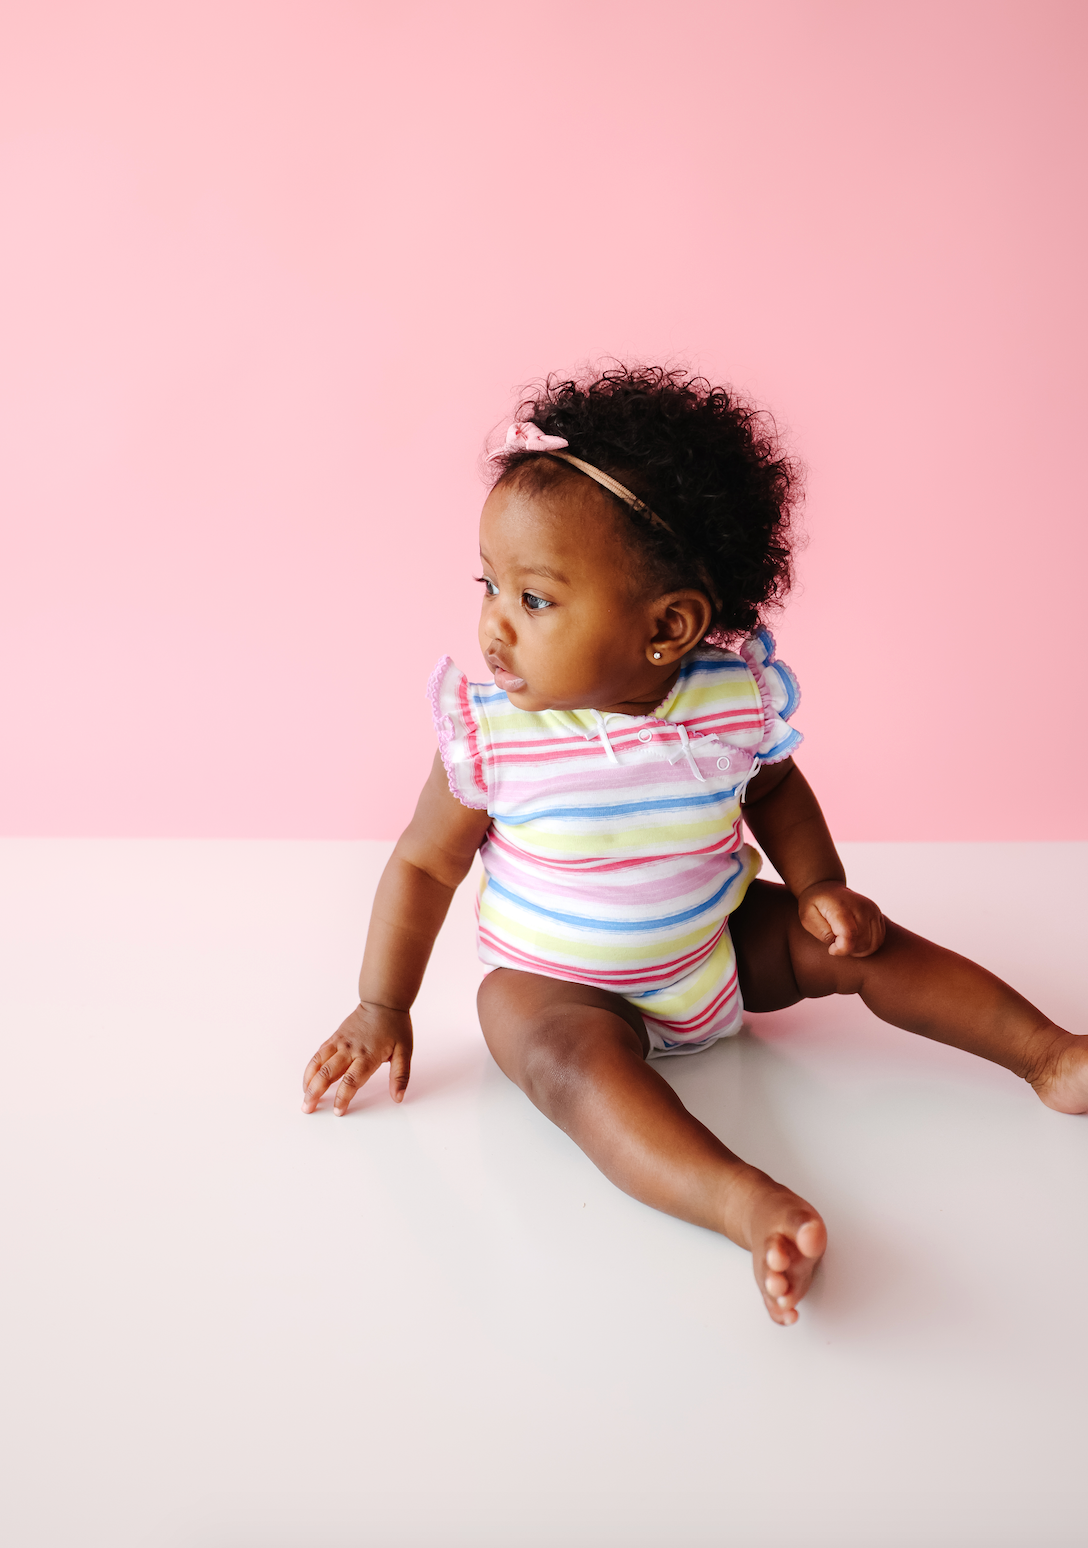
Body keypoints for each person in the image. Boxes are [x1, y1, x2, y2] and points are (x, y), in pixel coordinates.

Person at [301, 365, 1088, 1324]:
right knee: (569, 1068)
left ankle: (1049, 1056)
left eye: (536, 600)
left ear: (669, 628)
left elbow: (777, 788)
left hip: (713, 948)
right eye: (489, 585)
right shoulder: (495, 733)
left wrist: (820, 887)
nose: (494, 627)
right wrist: (381, 1003)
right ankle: (744, 1201)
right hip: (561, 985)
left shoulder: (725, 699)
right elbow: (426, 862)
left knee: (861, 945)